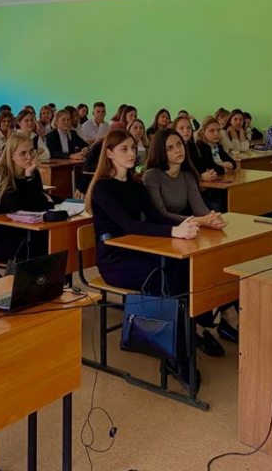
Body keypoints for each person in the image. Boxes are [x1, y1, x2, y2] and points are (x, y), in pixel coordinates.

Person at [86, 129, 201, 390]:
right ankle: (176, 353)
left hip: (137, 250)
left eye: (133, 148)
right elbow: (129, 223)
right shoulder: (103, 188)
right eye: (124, 149)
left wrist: (189, 223)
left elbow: (155, 217)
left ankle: (181, 338)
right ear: (109, 154)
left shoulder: (136, 185)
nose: (131, 153)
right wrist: (174, 231)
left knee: (182, 266)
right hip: (114, 260)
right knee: (163, 276)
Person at [143, 128, 239, 346]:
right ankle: (198, 324)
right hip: (159, 238)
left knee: (221, 256)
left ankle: (227, 315)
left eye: (179, 145)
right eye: (170, 147)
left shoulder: (187, 176)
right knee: (195, 269)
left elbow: (200, 209)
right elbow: (160, 215)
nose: (178, 150)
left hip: (183, 234)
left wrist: (212, 219)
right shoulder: (152, 176)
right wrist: (200, 221)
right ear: (160, 152)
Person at [0, 132, 53, 265]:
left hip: (25, 231)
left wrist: (29, 176)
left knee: (54, 242)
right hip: (0, 237)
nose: (29, 157)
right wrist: (40, 202)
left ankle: (52, 283)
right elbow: (19, 209)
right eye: (23, 153)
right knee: (40, 247)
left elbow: (41, 203)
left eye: (32, 151)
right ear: (12, 156)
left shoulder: (32, 172)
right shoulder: (1, 175)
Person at [173, 115, 215, 181]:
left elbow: (199, 166)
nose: (186, 131)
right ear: (174, 130)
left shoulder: (191, 145)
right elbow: (178, 173)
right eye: (181, 128)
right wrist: (200, 177)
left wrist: (208, 173)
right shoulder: (173, 149)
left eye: (189, 127)